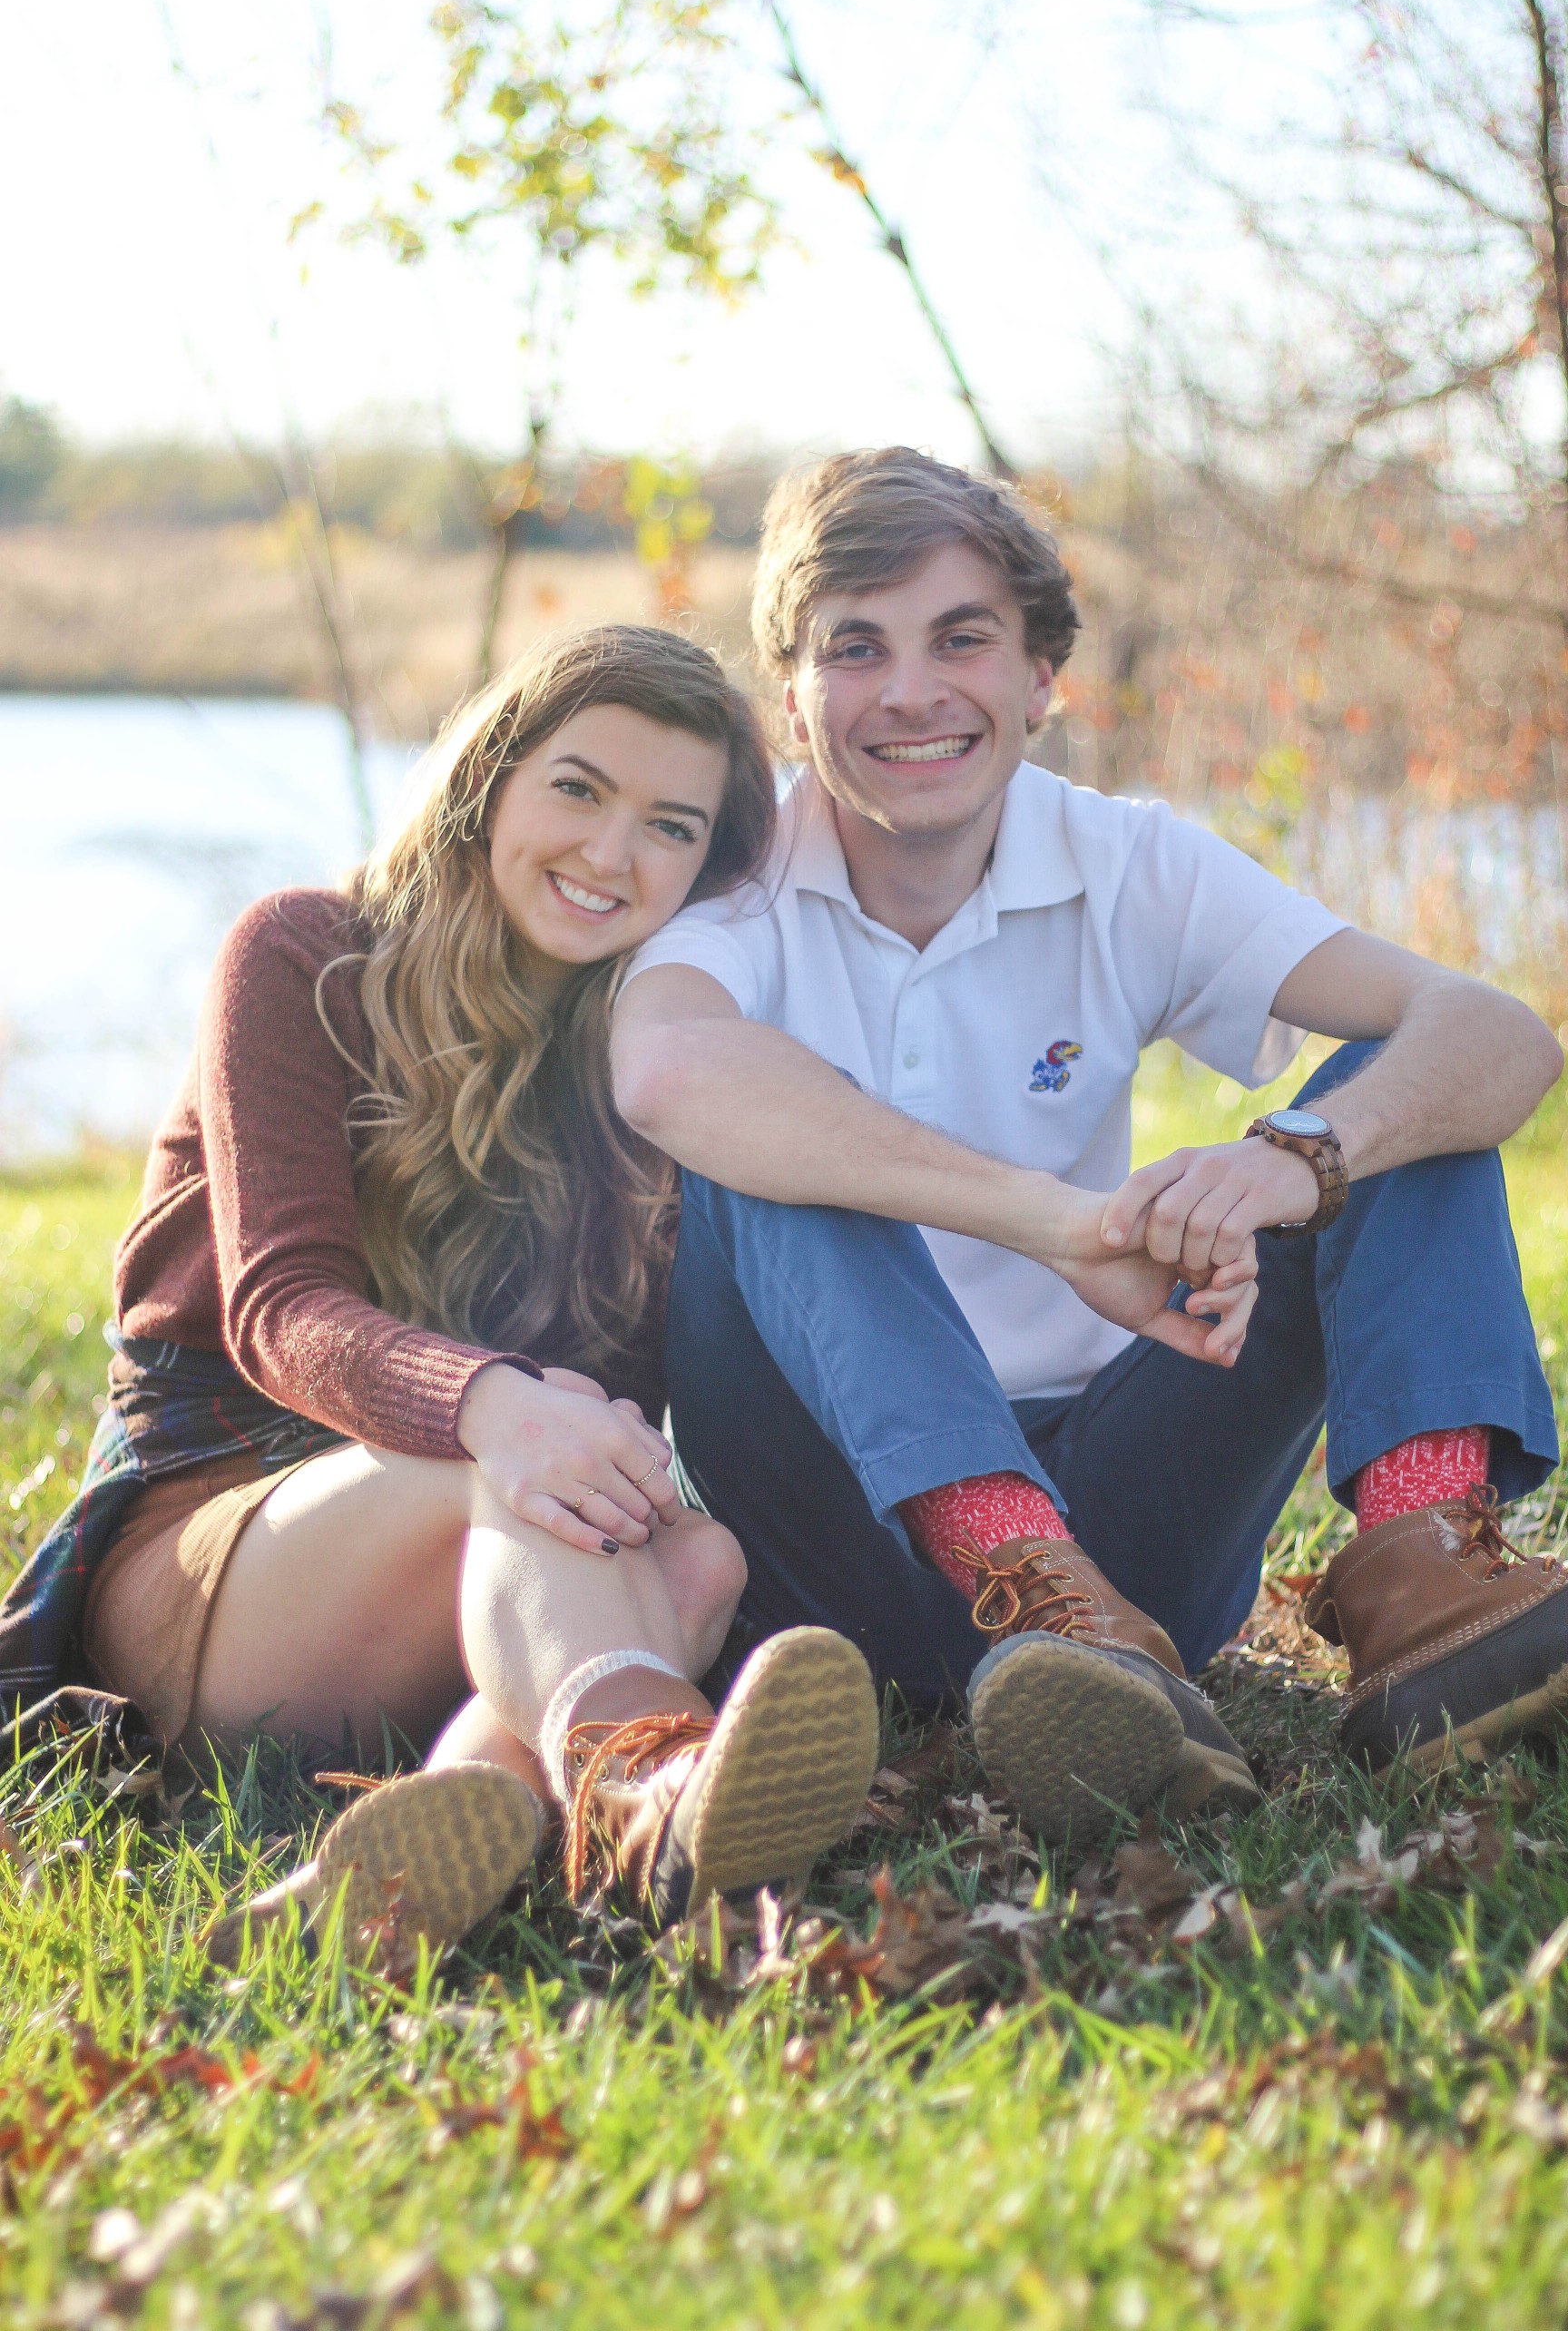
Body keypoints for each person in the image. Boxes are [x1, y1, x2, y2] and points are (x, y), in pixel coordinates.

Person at [610, 447, 1565, 1848]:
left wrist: (1304, 1154)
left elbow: (1495, 1035)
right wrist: (1055, 1221)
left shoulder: (1127, 863)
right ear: (794, 701)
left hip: (1128, 1543)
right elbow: (671, 1067)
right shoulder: (737, 879)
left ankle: (1430, 1591)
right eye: (855, 649)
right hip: (830, 1551)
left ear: (1042, 677)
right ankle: (1018, 1580)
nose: (912, 692)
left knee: (1395, 1099)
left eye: (963, 639)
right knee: (769, 1139)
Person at [0, 624, 879, 1964]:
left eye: (668, 826)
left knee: (698, 1554)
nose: (607, 852)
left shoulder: (651, 1070)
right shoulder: (307, 956)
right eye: (577, 788)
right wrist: (492, 1406)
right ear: (492, 781)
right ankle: (651, 1783)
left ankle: (442, 1837)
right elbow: (280, 1306)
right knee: (522, 1469)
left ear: (708, 869)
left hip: (479, 1580)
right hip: (212, 1548)